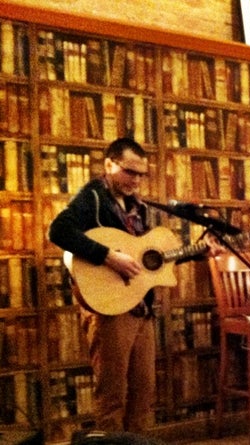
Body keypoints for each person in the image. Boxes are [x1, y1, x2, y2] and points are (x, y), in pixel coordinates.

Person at [48, 137, 221, 433]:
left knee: (144, 391)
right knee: (112, 394)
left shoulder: (137, 206)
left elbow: (148, 262)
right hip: (110, 309)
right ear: (109, 164)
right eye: (130, 172)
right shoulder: (93, 197)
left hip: (140, 307)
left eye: (141, 174)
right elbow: (58, 230)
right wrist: (108, 256)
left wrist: (197, 252)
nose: (136, 180)